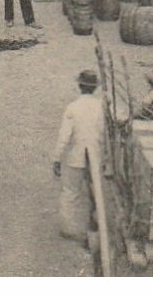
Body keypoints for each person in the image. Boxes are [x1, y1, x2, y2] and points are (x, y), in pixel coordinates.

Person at [54, 69, 104, 244]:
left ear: (80, 86)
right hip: (95, 155)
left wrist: (57, 158)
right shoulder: (101, 107)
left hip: (76, 156)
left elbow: (64, 137)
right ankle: (95, 223)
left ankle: (68, 228)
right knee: (95, 191)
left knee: (70, 191)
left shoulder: (73, 108)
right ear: (95, 88)